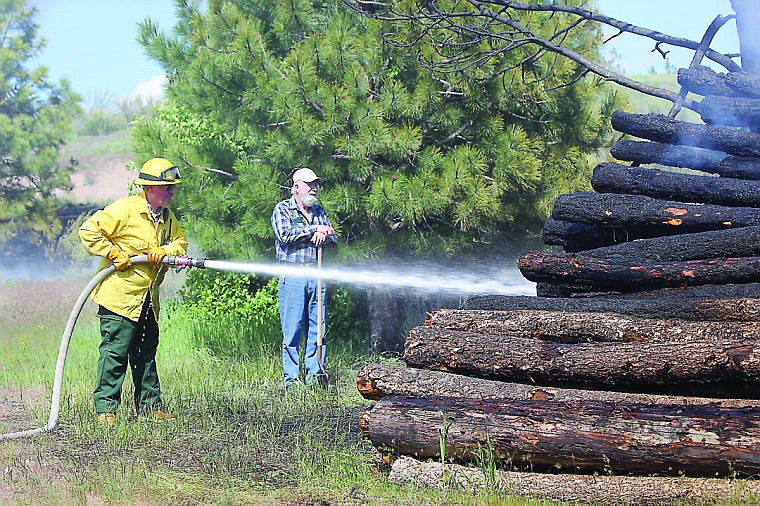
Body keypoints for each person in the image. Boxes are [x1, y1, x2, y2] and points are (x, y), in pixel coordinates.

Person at [78, 157, 188, 425]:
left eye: (173, 187)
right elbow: (88, 231)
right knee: (115, 354)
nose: (172, 191)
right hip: (120, 299)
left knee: (146, 353)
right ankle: (106, 410)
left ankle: (151, 408)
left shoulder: (167, 218)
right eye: (167, 187)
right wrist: (113, 251)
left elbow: (180, 244)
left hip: (148, 300)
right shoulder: (125, 210)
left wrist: (164, 251)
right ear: (150, 188)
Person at [271, 167, 337, 389]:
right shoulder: (283, 210)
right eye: (310, 184)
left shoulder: (319, 210)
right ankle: (292, 381)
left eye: (316, 184)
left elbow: (333, 237)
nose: (314, 188)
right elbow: (285, 235)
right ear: (297, 187)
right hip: (293, 274)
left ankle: (316, 376)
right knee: (292, 330)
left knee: (318, 326)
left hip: (317, 274)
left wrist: (324, 234)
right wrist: (314, 230)